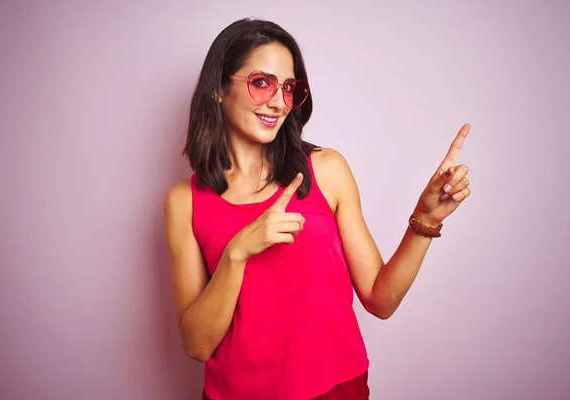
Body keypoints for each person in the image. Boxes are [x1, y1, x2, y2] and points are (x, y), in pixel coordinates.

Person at [163, 18, 471, 400]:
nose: (278, 101)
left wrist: (425, 220)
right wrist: (237, 253)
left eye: (289, 87)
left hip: (335, 391)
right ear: (218, 90)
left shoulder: (326, 170)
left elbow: (380, 298)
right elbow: (197, 345)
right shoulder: (184, 201)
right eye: (262, 83)